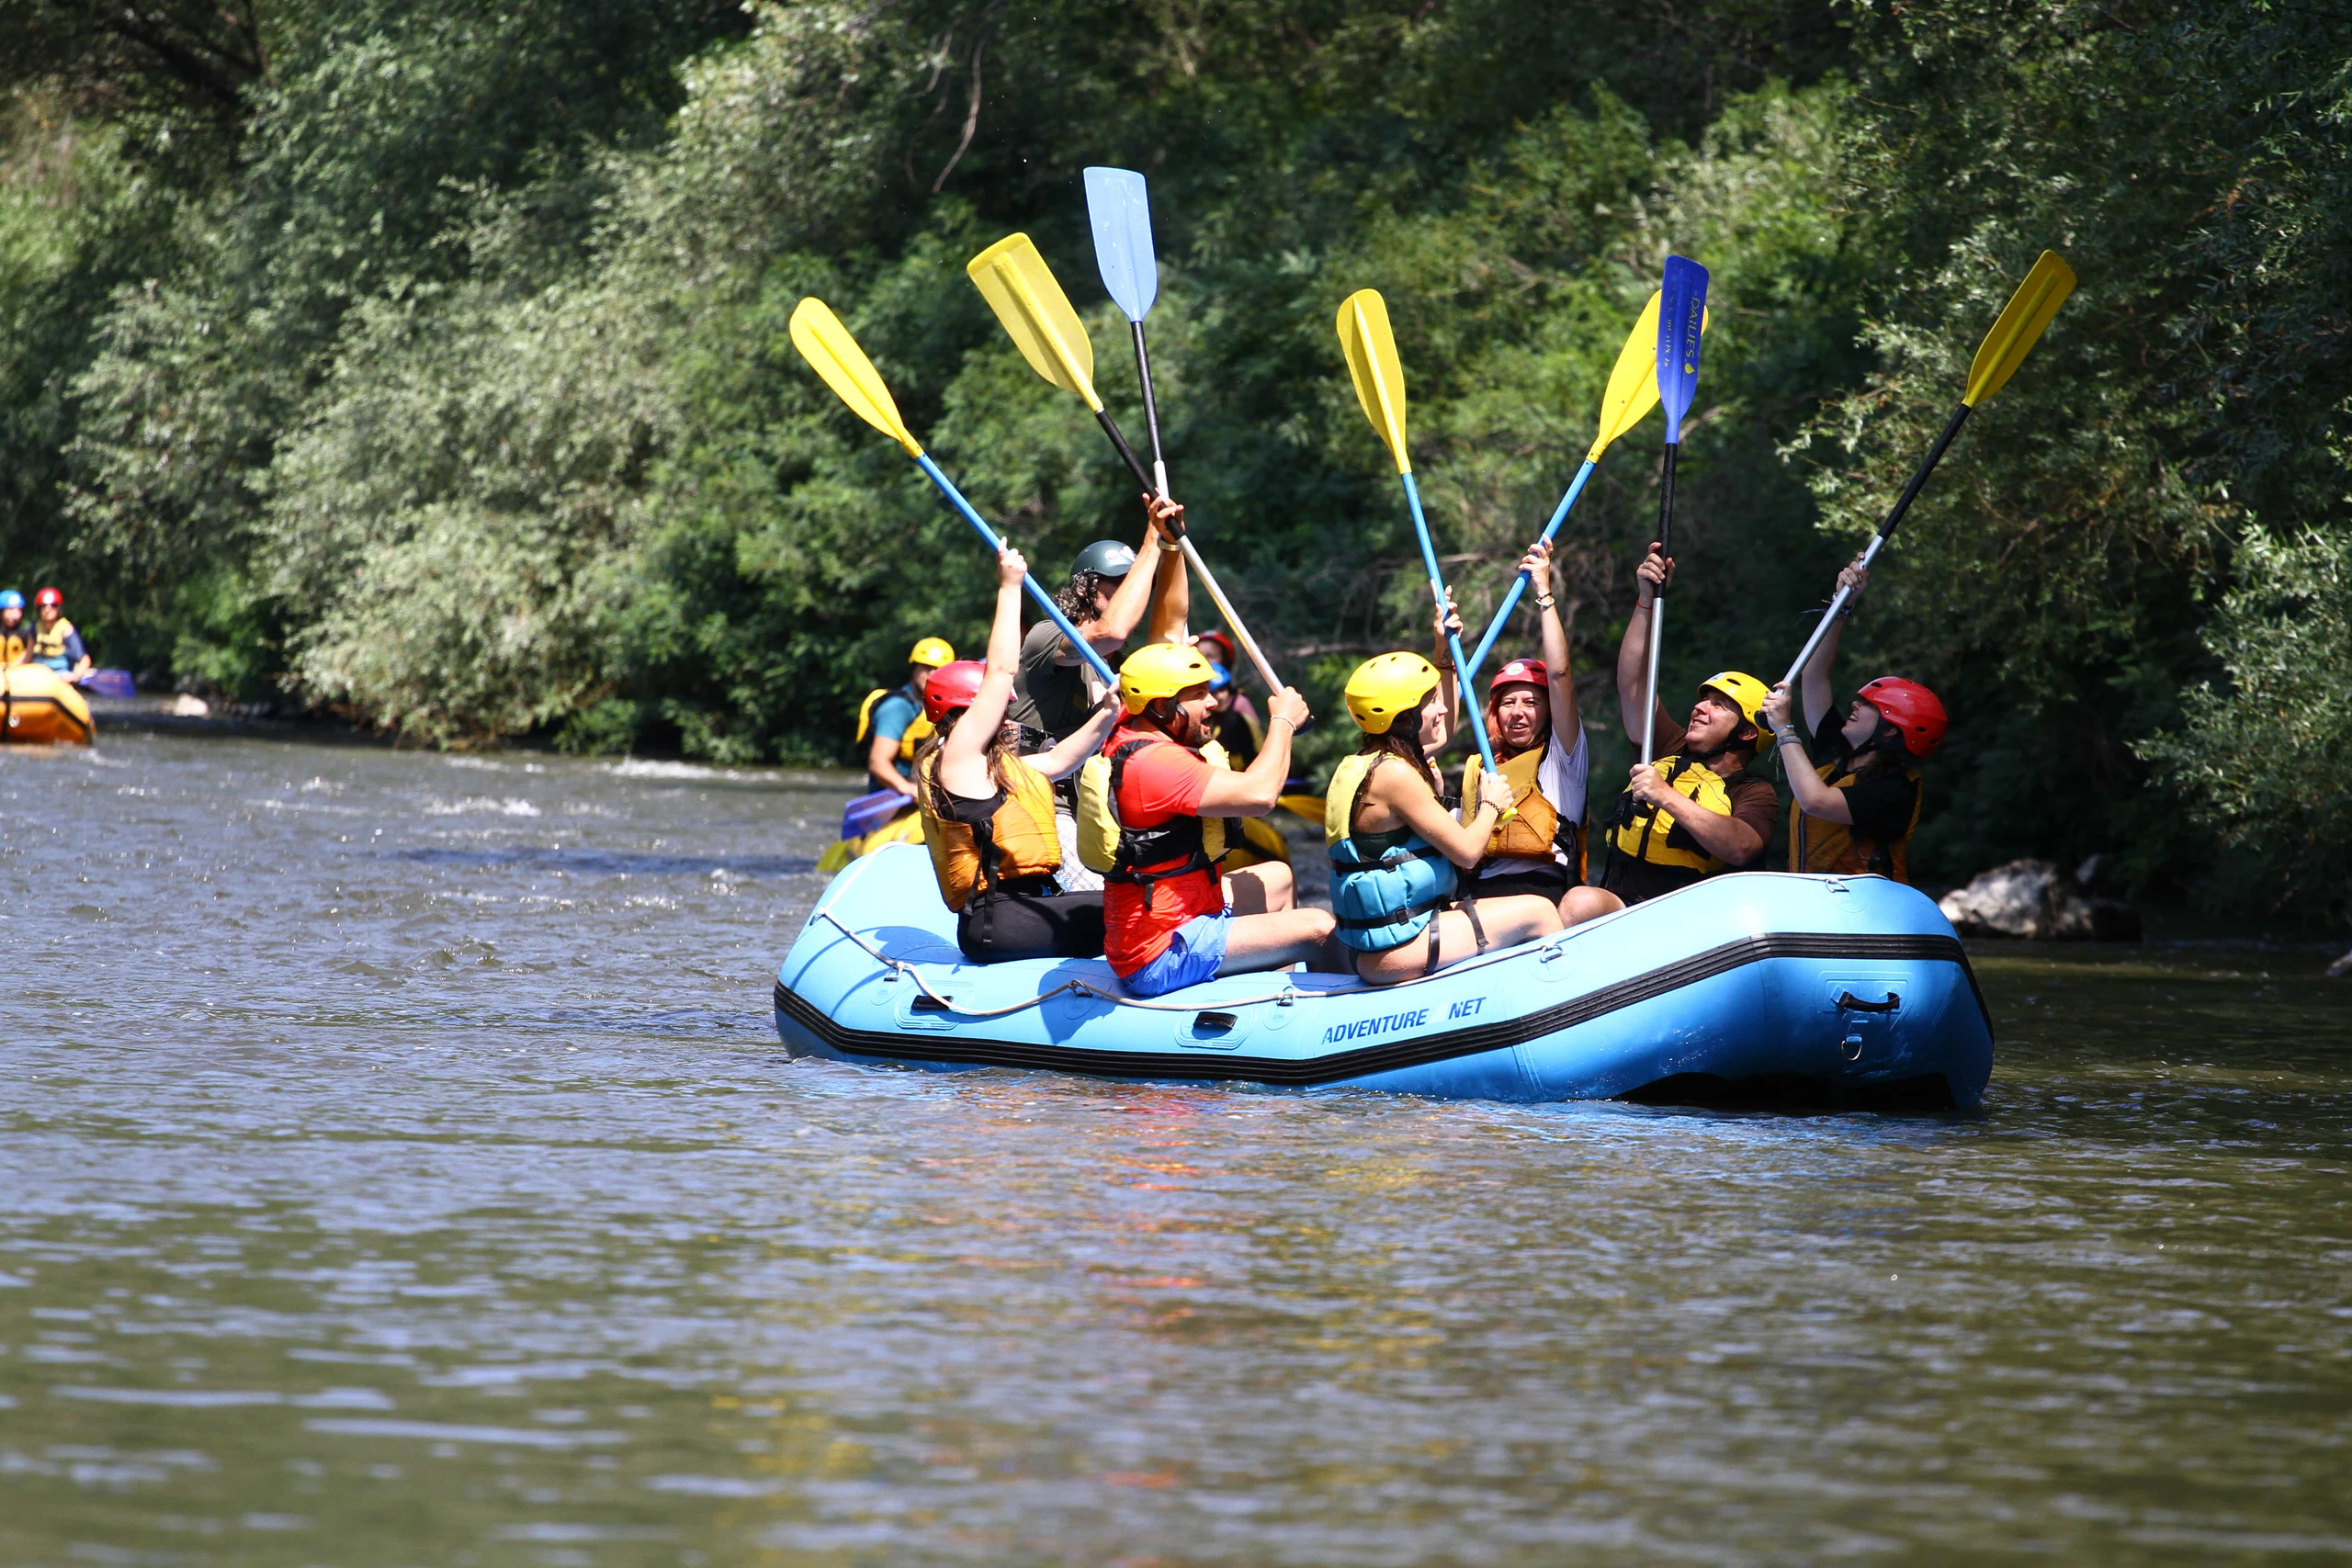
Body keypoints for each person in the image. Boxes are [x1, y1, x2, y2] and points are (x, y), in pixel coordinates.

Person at [913, 547, 1120, 962]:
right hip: (997, 923)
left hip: (1027, 909)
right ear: (968, 713)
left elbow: (1061, 761)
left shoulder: (990, 768)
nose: (1008, 718)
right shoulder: (956, 759)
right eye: (1000, 708)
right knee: (1128, 909)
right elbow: (1003, 671)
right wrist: (1010, 587)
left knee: (1126, 898)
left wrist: (1109, 712)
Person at [1098, 641, 1332, 998]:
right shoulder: (1153, 763)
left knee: (1278, 876)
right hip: (1158, 952)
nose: (1212, 703)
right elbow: (1260, 795)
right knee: (1319, 925)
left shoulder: (1135, 726)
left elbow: (1171, 618)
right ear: (1162, 706)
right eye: (1200, 695)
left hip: (1182, 912)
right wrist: (1282, 722)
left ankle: (1273, 999)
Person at [1327, 634, 1563, 985]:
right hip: (1399, 949)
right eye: (1432, 702)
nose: (1441, 710)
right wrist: (1491, 805)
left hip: (1397, 937)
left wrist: (1442, 647)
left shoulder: (1368, 762)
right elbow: (1467, 853)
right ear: (1406, 717)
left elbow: (1443, 730)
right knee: (1539, 911)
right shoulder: (1395, 774)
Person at [1602, 545, 1779, 905]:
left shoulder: (1755, 794)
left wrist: (1664, 794)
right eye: (1703, 700)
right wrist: (1646, 601)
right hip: (1622, 902)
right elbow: (1632, 681)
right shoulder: (1668, 745)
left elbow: (1741, 847)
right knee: (1579, 901)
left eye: (1719, 706)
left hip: (1688, 918)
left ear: (1746, 732)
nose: (1700, 708)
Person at [1468, 540, 1623, 928]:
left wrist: (1544, 594)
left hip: (1544, 897)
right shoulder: (1480, 770)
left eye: (1531, 703)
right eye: (1508, 703)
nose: (1518, 713)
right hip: (1481, 898)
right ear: (1494, 714)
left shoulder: (1562, 763)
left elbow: (1560, 676)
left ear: (1549, 711)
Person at [1761, 562, 1948, 883]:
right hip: (1816, 899)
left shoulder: (1892, 791)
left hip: (1866, 909)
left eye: (1868, 705)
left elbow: (1815, 800)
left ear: (1889, 730)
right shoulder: (1836, 752)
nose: (1855, 704)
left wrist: (1784, 729)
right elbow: (1814, 676)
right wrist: (1841, 606)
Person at [1009, 497, 1189, 744]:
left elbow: (1171, 632)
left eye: (1135, 584)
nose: (1132, 593)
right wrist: (1152, 543)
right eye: (1119, 582)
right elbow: (1111, 633)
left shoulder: (1127, 670)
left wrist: (1171, 546)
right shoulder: (1047, 636)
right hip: (1034, 779)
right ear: (1084, 588)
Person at [858, 636, 956, 798]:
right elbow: (878, 762)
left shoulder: (941, 708)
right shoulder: (898, 708)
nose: (931, 674)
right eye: (926, 667)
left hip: (922, 794)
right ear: (914, 668)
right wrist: (908, 789)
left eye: (938, 669)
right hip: (894, 799)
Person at [1204, 660, 1262, 766]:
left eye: (1222, 690)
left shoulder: (1237, 720)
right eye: (1214, 692)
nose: (1220, 697)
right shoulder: (1206, 723)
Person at [28, 588, 91, 685]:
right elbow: (27, 656)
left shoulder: (66, 629)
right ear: (39, 610)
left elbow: (84, 660)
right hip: (37, 674)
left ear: (59, 609)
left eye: (53, 606)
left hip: (60, 675)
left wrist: (75, 676)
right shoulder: (34, 629)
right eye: (44, 606)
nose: (48, 610)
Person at [0, 591, 28, 665]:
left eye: (19, 611)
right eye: (11, 610)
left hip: (17, 672)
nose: (16, 616)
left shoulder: (25, 634)